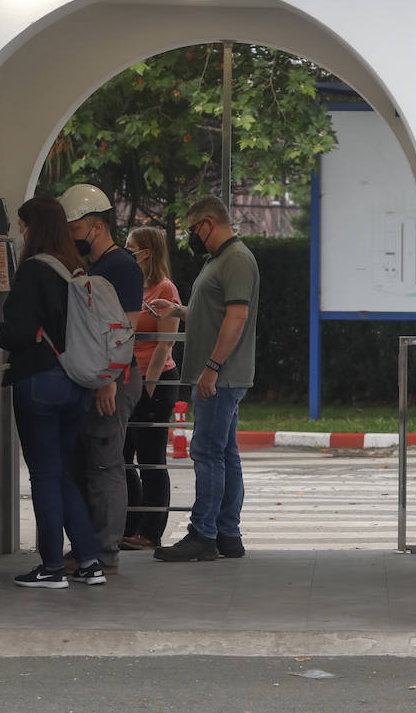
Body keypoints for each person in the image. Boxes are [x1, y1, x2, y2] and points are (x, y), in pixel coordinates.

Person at [0, 196, 106, 589]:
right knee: (60, 472)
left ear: (34, 227)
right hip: (76, 382)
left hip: (40, 383)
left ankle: (52, 567)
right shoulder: (76, 268)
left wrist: (0, 332)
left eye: (22, 225)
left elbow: (19, 331)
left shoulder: (33, 270)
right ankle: (90, 560)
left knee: (43, 475)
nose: (20, 232)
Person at [147, 196, 260, 562]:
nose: (193, 237)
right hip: (218, 375)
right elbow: (214, 312)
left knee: (208, 453)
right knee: (224, 453)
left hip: (220, 377)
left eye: (194, 230)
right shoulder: (221, 260)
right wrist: (178, 309)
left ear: (209, 223)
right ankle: (227, 534)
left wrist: (212, 367)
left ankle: (203, 534)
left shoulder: (236, 260)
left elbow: (236, 318)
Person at [57, 184, 146, 574]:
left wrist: (107, 381)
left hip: (112, 380)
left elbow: (125, 330)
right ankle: (89, 548)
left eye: (75, 229)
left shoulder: (121, 268)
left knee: (105, 467)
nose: (71, 237)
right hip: (98, 378)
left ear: (95, 225)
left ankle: (104, 553)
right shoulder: (95, 267)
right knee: (88, 464)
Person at [120, 225, 182, 551]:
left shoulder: (165, 288)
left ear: (147, 252)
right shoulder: (134, 286)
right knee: (122, 457)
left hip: (154, 383)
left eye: (131, 247)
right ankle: (131, 523)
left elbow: (164, 345)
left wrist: (147, 387)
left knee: (151, 459)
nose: (126, 251)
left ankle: (151, 531)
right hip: (129, 380)